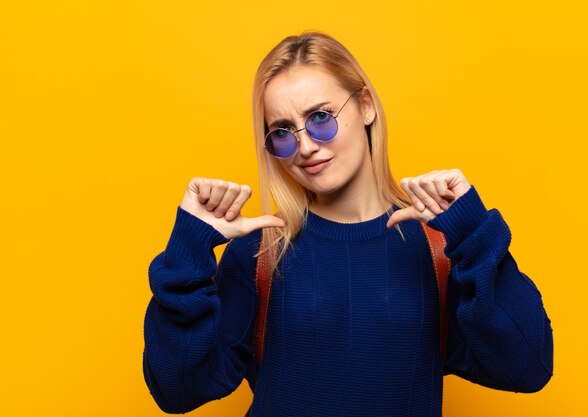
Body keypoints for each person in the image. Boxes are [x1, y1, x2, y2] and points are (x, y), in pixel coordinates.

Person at [142, 32, 553, 416]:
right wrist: (189, 250)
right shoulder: (259, 252)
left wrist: (474, 233)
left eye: (320, 117)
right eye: (282, 132)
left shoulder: (440, 247)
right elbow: (177, 389)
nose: (304, 147)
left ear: (366, 106)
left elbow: (527, 367)